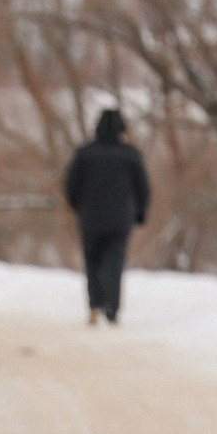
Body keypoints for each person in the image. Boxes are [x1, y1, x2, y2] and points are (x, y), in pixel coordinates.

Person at [63, 108, 150, 325]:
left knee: (92, 261)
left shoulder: (85, 153)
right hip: (120, 219)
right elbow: (143, 188)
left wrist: (77, 207)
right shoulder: (130, 155)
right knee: (115, 262)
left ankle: (95, 305)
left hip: (90, 217)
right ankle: (112, 308)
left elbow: (70, 185)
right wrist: (140, 213)